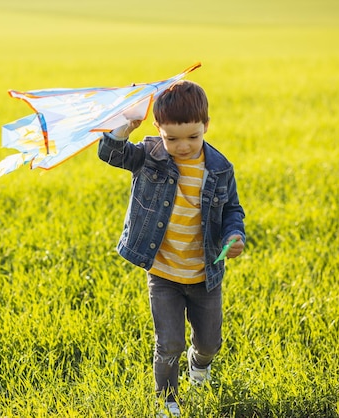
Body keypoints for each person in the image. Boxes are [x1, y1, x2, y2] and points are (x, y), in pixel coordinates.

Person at [97, 80, 246, 417]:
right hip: (163, 273)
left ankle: (200, 366)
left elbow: (233, 210)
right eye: (172, 138)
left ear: (206, 126)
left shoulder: (220, 169)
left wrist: (233, 236)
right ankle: (167, 402)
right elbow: (110, 152)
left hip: (203, 273)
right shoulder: (149, 156)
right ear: (157, 129)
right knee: (169, 345)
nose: (182, 146)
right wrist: (125, 126)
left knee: (209, 342)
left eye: (193, 137)